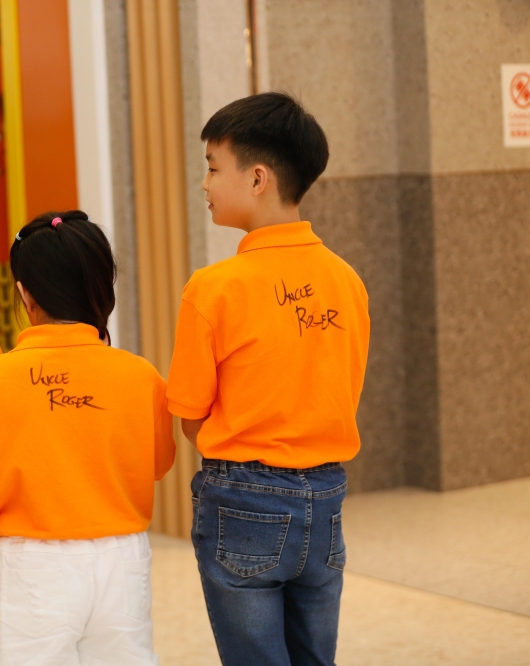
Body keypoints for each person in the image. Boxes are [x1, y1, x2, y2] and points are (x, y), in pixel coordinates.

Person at [166, 92, 370, 666]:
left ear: (257, 177)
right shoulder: (346, 281)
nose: (204, 183)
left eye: (211, 166)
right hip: (327, 499)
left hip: (241, 499)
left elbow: (190, 417)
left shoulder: (214, 288)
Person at [0, 211, 177, 665]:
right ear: (103, 287)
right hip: (121, 561)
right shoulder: (141, 377)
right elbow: (158, 463)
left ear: (25, 294)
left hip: (29, 569)